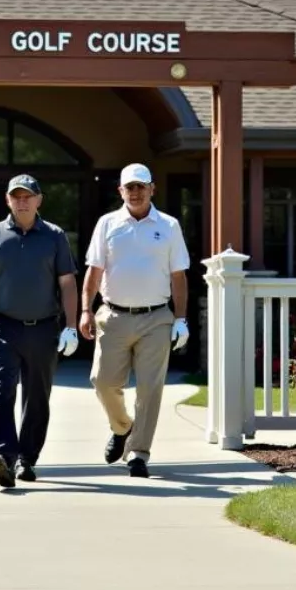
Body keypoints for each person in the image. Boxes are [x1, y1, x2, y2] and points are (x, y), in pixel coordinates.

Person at [79, 163, 190, 478]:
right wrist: (86, 309)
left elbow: (178, 274)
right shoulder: (107, 223)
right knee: (102, 382)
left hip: (156, 318)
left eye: (141, 186)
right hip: (113, 315)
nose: (136, 192)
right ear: (121, 191)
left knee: (149, 390)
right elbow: (94, 270)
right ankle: (122, 427)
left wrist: (180, 319)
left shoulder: (169, 226)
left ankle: (138, 453)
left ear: (152, 189)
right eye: (130, 187)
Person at [0, 174, 80, 488]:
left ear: (38, 200)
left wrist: (71, 327)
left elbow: (67, 283)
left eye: (27, 196)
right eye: (15, 196)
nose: (22, 201)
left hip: (44, 328)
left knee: (37, 398)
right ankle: (4, 457)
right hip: (3, 327)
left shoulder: (55, 236)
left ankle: (27, 459)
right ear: (8, 200)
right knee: (1, 391)